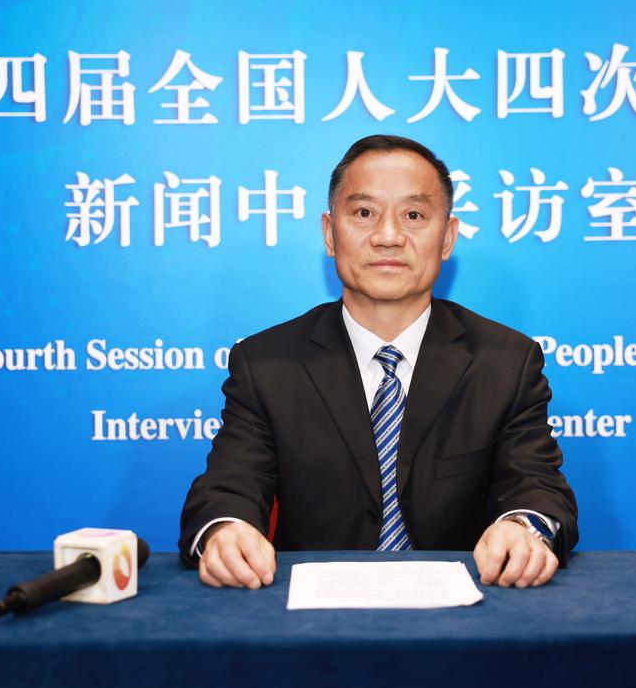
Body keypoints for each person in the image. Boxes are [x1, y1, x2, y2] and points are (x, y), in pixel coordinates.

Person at [178, 135, 577, 590]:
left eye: (414, 215)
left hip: (467, 609)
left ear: (447, 238)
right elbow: (228, 486)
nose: (388, 237)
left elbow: (536, 485)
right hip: (312, 615)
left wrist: (523, 528)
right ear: (330, 234)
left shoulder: (505, 361)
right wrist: (227, 531)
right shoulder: (267, 363)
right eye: (364, 213)